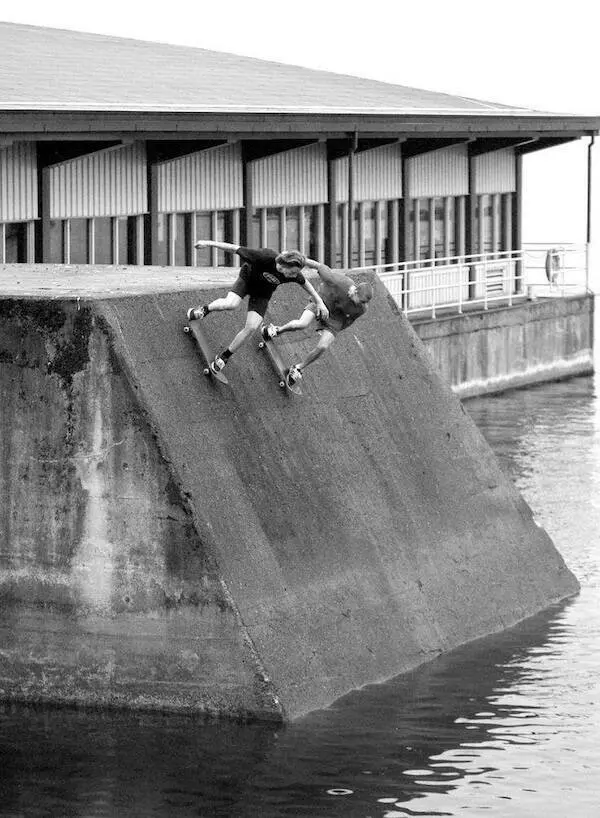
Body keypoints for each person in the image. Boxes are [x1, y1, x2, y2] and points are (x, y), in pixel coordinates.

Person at [186, 241, 329, 375]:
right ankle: (204, 310)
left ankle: (224, 357)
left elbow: (306, 285)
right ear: (285, 264)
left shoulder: (293, 273)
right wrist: (207, 243)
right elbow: (234, 248)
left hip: (262, 294)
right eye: (292, 272)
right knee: (231, 304)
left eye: (295, 274)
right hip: (247, 280)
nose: (294, 276)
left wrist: (320, 302)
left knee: (252, 327)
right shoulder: (265, 256)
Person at [261, 260, 373, 387]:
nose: (361, 304)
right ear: (355, 291)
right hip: (322, 302)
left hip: (336, 319)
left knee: (323, 346)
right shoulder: (339, 281)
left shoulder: (362, 309)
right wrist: (296, 261)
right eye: (361, 301)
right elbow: (318, 266)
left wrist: (330, 330)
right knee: (301, 324)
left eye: (364, 303)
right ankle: (276, 330)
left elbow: (348, 322)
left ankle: (298, 368)